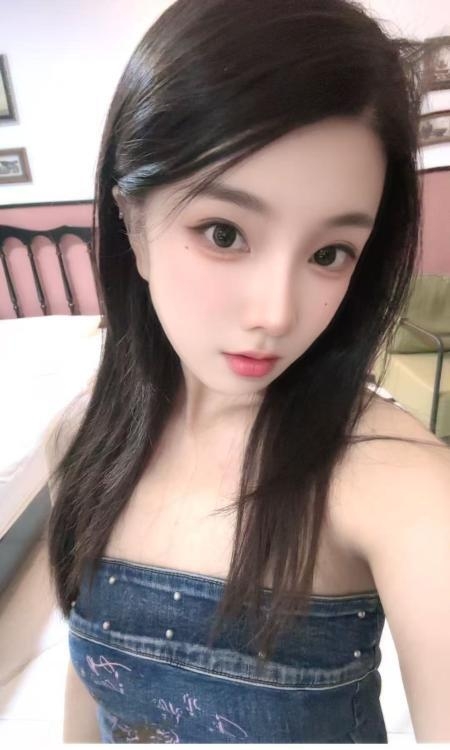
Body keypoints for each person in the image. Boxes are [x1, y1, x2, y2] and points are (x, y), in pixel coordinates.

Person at [45, 0, 450, 743]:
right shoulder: (81, 440)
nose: (276, 313)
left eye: (329, 253)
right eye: (224, 233)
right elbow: (89, 698)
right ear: (134, 224)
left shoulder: (404, 487)